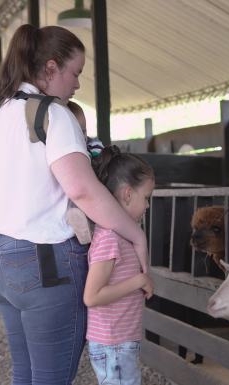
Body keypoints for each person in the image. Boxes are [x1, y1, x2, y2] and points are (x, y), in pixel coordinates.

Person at [0, 24, 150, 385]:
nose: (77, 84)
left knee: (25, 373)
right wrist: (136, 236)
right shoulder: (54, 115)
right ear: (51, 68)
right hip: (44, 265)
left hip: (0, 260)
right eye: (75, 73)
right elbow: (83, 190)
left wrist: (18, 195)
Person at [84, 146, 154, 385]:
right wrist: (139, 280)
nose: (147, 206)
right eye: (146, 197)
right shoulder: (110, 239)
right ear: (127, 194)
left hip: (119, 342)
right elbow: (92, 296)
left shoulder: (122, 236)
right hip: (113, 344)